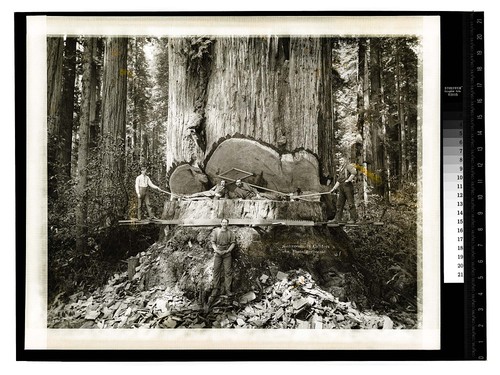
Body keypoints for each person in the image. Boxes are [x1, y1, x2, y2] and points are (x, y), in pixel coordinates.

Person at [209, 218, 236, 302]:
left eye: (226, 223)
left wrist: (228, 251)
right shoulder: (216, 232)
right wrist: (216, 250)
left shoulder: (230, 233)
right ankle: (215, 289)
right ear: (221, 223)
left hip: (227, 254)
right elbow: (213, 242)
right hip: (218, 253)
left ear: (228, 224)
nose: (224, 224)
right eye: (223, 222)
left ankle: (228, 290)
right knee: (216, 270)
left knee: (228, 271)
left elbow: (233, 243)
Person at [330, 157, 358, 223]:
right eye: (339, 160)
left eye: (342, 160)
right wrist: (333, 189)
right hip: (342, 187)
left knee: (350, 203)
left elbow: (354, 172)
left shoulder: (348, 166)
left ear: (345, 160)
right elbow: (339, 181)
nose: (341, 161)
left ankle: (353, 219)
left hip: (348, 186)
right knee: (339, 204)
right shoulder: (341, 169)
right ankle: (337, 219)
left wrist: (348, 180)